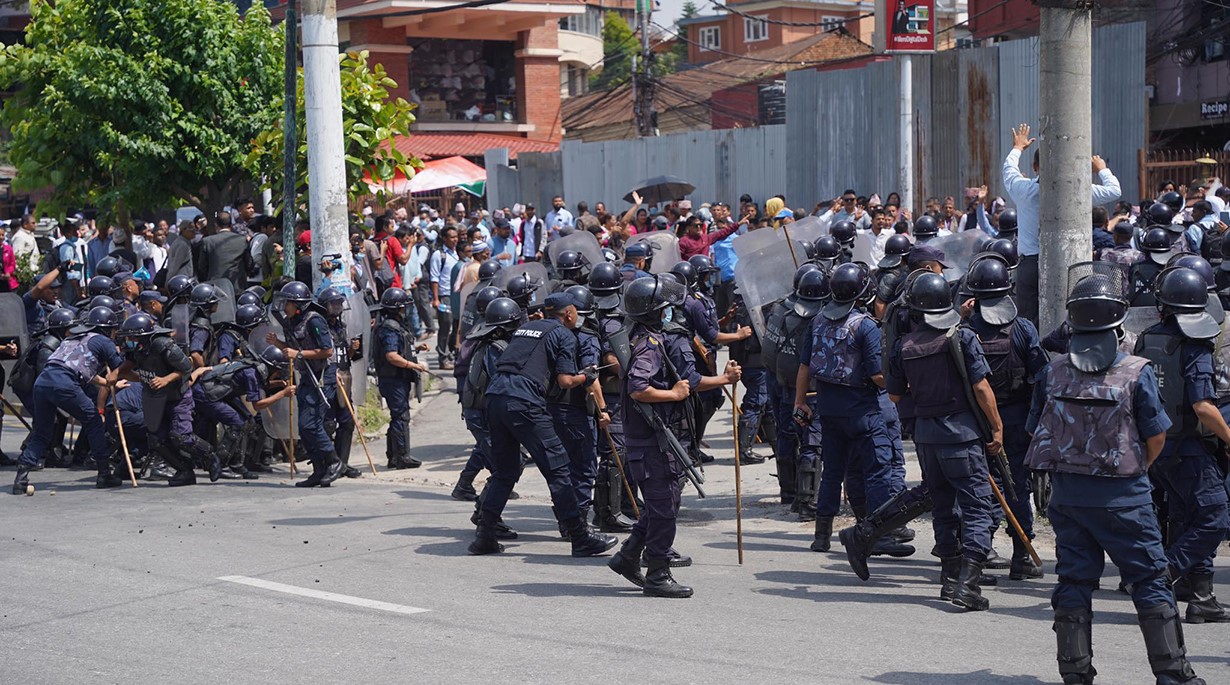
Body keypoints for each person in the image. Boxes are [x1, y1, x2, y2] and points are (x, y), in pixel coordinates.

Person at [1026, 268, 1207, 685]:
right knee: (1150, 581)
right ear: (1118, 319)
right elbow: (1157, 434)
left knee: (1073, 581)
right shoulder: (1136, 371)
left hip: (1068, 496)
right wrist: (1137, 465)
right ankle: (1173, 677)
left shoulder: (1052, 373)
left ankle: (1075, 674)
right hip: (1125, 497)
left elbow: (1035, 430)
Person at [607, 276, 739, 597]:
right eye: (665, 308)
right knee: (664, 508)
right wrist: (676, 393)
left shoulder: (644, 337)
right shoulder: (649, 346)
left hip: (654, 439)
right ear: (656, 312)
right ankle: (657, 574)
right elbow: (639, 388)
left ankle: (628, 556)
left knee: (659, 505)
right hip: (651, 442)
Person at [469, 290, 616, 558]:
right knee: (558, 469)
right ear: (570, 314)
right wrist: (587, 376)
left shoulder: (525, 328)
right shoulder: (564, 335)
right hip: (524, 402)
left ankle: (484, 535)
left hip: (495, 398)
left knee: (505, 472)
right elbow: (565, 381)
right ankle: (579, 537)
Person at [887, 272, 1003, 611]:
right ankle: (968, 584)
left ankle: (949, 579)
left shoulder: (903, 346)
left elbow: (895, 395)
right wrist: (996, 428)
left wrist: (922, 409)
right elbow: (982, 389)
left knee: (943, 509)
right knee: (977, 508)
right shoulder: (962, 337)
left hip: (926, 439)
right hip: (963, 438)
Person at [1134, 267, 1230, 625]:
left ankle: (1200, 596)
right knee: (1214, 517)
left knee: (1187, 516)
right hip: (1189, 448)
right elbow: (1203, 407)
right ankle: (1163, 576)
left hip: (1158, 446)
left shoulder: (1147, 338)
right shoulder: (1195, 345)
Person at [795, 263, 895, 552]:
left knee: (832, 472)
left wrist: (800, 402)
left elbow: (804, 367)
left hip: (828, 409)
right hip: (863, 411)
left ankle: (821, 535)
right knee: (877, 471)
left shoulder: (817, 321)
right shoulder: (866, 326)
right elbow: (877, 374)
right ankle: (879, 534)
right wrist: (901, 384)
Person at [961, 255, 1048, 580]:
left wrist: (964, 317)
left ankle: (978, 552)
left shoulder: (965, 331)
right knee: (1017, 488)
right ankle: (1021, 557)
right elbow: (1042, 377)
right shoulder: (1023, 329)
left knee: (981, 488)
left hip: (979, 422)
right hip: (1018, 421)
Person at [1002, 123, 1122, 325]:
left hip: (1030, 264)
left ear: (1035, 168)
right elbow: (1114, 191)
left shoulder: (1023, 189)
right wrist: (1102, 169)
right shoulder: (1078, 190)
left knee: (1028, 323)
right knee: (1068, 319)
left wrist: (1017, 148)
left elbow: (1008, 170)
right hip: (1068, 263)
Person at [12, 306, 126, 494]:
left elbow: (82, 370)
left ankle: (21, 477)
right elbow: (120, 368)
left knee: (41, 432)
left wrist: (106, 381)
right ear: (107, 328)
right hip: (64, 383)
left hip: (43, 383)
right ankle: (104, 473)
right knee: (94, 421)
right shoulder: (104, 341)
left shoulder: (72, 339)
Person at [117, 313, 222, 486]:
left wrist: (165, 379)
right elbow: (128, 366)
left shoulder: (163, 344)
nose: (129, 340)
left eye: (133, 337)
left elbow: (186, 367)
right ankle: (184, 471)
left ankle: (209, 455)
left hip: (177, 397)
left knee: (180, 436)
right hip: (155, 398)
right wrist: (119, 374)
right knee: (156, 440)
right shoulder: (134, 349)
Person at [266, 281, 344, 488]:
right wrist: (278, 344)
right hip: (307, 377)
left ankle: (334, 461)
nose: (284, 308)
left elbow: (327, 351)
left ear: (298, 304)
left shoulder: (314, 321)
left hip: (322, 376)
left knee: (312, 423)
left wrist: (298, 354)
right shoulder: (293, 321)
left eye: (288, 303)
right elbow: (294, 347)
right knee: (304, 427)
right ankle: (318, 470)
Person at [374, 287, 430, 470]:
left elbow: (400, 348)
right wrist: (414, 365)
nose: (406, 310)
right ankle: (401, 457)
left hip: (398, 379)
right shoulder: (389, 328)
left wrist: (416, 349)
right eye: (403, 307)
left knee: (398, 416)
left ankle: (394, 456)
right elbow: (391, 356)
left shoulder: (396, 325)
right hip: (393, 380)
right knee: (401, 416)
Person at [317, 287, 359, 479]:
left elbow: (344, 356)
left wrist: (352, 349)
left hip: (344, 377)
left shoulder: (340, 327)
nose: (337, 308)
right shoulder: (319, 327)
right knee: (327, 423)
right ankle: (327, 463)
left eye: (339, 304)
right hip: (327, 380)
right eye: (333, 304)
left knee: (347, 421)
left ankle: (342, 463)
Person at [198, 212, 249, 295]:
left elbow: (202, 267)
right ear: (231, 225)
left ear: (216, 225)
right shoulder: (242, 240)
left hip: (215, 287)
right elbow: (249, 263)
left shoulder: (207, 241)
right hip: (237, 287)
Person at [431, 226, 460, 369]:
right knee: (445, 326)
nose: (455, 240)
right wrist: (436, 298)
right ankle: (442, 357)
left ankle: (451, 353)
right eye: (452, 237)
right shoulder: (439, 255)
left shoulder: (457, 253)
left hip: (457, 294)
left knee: (456, 326)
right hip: (445, 295)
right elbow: (434, 277)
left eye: (456, 237)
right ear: (444, 238)